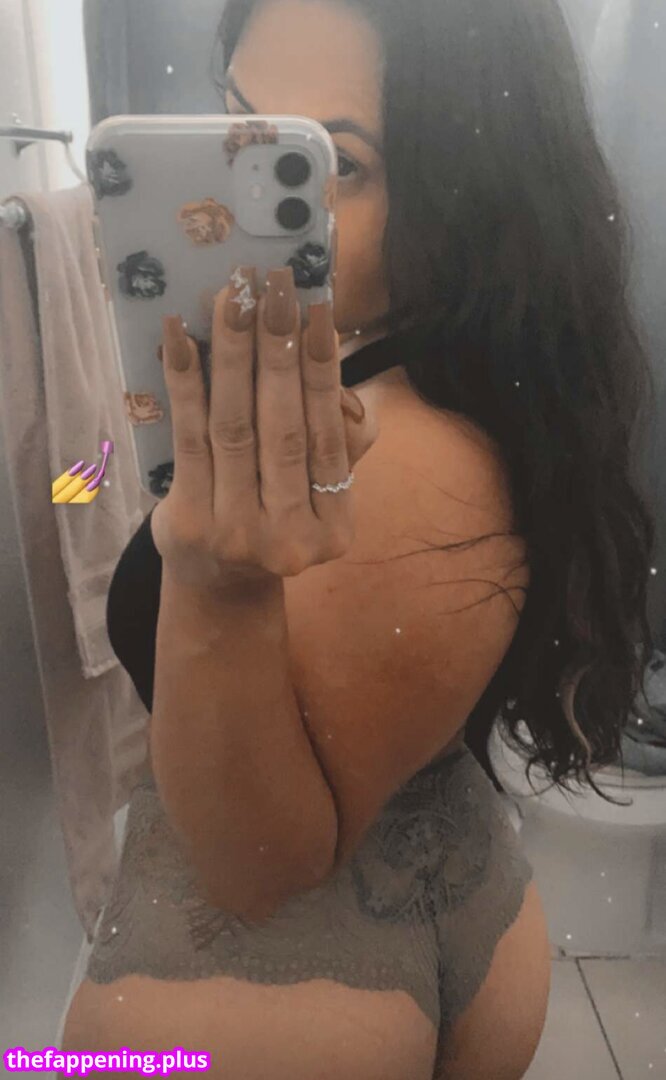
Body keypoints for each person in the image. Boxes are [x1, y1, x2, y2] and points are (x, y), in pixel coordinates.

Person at [60, 0, 656, 1076]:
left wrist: (214, 582)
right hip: (392, 909)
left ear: (468, 199)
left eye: (331, 163)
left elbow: (256, 868)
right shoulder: (371, 346)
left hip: (300, 996)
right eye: (238, 124)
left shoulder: (412, 462)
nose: (248, 210)